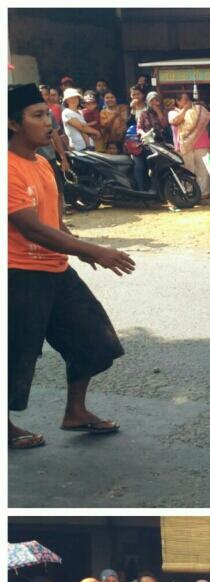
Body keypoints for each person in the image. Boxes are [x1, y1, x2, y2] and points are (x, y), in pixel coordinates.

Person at [9, 84, 135, 451]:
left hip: (56, 270)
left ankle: (75, 412)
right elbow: (30, 227)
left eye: (47, 114)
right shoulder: (8, 169)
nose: (47, 122)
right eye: (37, 116)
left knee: (95, 340)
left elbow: (52, 222)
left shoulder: (45, 164)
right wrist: (93, 250)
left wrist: (76, 249)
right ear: (13, 124)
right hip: (18, 274)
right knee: (17, 353)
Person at [174, 91, 210, 199]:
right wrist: (185, 110)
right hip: (185, 146)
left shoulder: (199, 110)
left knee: (203, 169)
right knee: (188, 169)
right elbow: (175, 121)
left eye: (188, 99)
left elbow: (206, 118)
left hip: (201, 144)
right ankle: (189, 192)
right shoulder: (173, 112)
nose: (187, 102)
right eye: (184, 100)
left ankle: (204, 193)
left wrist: (193, 109)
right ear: (178, 101)